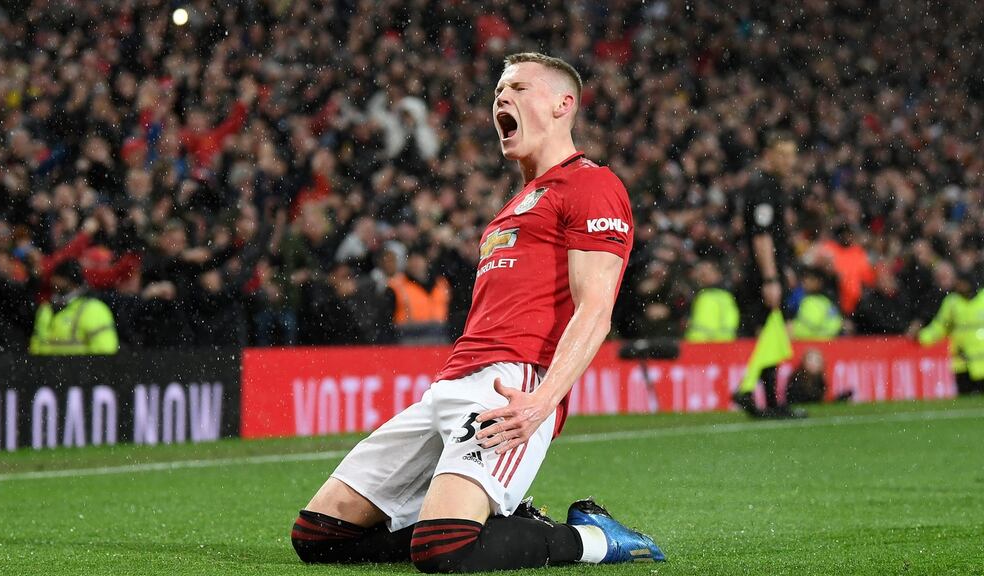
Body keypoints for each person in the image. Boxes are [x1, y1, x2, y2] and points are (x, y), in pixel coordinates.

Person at [291, 53, 665, 573]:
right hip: (449, 385)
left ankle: (592, 539)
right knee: (319, 536)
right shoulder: (516, 204)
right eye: (498, 93)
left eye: (518, 88)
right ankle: (494, 523)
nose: (501, 99)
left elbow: (595, 310)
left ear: (564, 105)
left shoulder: (591, 184)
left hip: (514, 384)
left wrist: (541, 403)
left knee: (445, 550)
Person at [731, 133, 804, 419]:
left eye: (792, 155)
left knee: (773, 334)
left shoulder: (768, 186)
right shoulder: (764, 188)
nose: (789, 161)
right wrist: (771, 278)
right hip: (763, 273)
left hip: (769, 269)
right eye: (783, 155)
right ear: (769, 155)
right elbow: (761, 236)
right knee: (776, 333)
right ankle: (761, 395)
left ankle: (759, 395)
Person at [29, 260, 119, 355]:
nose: (53, 282)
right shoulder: (45, 309)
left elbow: (105, 351)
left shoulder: (93, 309)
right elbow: (35, 347)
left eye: (60, 278)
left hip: (80, 365)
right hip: (46, 364)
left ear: (72, 282)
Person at [916, 272, 984, 395]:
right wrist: (923, 336)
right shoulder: (952, 302)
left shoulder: (982, 298)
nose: (959, 286)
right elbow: (941, 325)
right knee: (966, 401)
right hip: (963, 362)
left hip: (981, 361)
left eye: (962, 283)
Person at [684, 260, 739, 343]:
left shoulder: (708, 296)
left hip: (705, 345)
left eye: (705, 272)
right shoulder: (724, 296)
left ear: (718, 274)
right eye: (701, 272)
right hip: (720, 345)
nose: (702, 276)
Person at [790, 267, 843, 341]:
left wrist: (793, 328)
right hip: (828, 343)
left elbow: (810, 327)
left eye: (811, 279)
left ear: (819, 282)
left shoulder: (812, 301)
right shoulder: (826, 301)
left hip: (814, 343)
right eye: (805, 279)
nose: (806, 282)